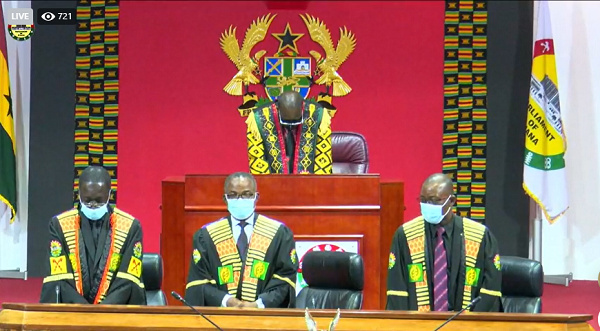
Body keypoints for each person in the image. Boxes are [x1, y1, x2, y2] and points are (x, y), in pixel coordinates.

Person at [386, 173, 502, 312]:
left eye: (434, 200)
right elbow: (397, 290)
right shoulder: (405, 235)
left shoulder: (479, 236)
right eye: (423, 200)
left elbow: (490, 289)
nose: (428, 205)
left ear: (451, 200)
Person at [185, 172, 298, 308]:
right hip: (220, 318)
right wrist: (226, 301)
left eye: (247, 194)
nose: (240, 200)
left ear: (256, 197)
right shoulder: (206, 236)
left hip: (264, 320)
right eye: (233, 195)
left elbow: (284, 279)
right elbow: (199, 282)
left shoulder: (278, 234)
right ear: (225, 199)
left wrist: (259, 304)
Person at [39, 166, 146, 305]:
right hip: (72, 314)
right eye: (87, 200)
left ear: (109, 194)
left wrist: (101, 312)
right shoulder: (59, 225)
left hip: (114, 315)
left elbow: (127, 281)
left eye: (99, 200)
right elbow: (60, 278)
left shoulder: (130, 227)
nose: (93, 205)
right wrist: (85, 312)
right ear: (78, 194)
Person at [245, 90, 332, 174]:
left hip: (310, 182)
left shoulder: (318, 114)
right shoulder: (259, 118)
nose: (292, 126)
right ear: (278, 108)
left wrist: (318, 185)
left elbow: (323, 158)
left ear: (302, 107)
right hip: (273, 182)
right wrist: (266, 185)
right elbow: (257, 159)